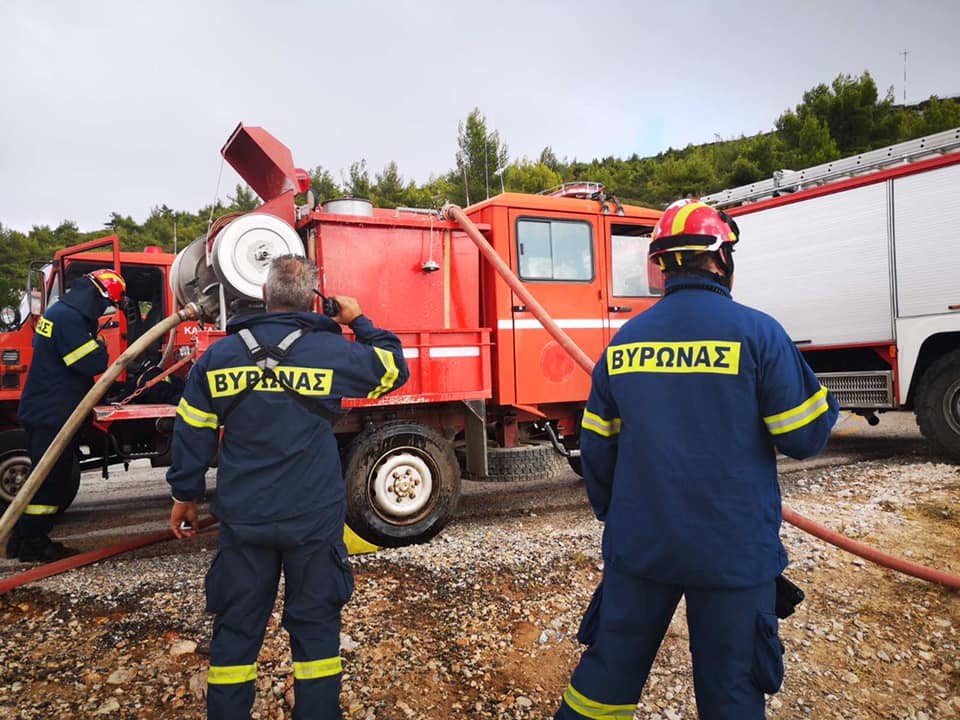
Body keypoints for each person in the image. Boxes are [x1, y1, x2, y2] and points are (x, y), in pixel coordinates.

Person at [555, 199, 839, 720]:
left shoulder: (624, 342)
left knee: (604, 682)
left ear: (661, 266)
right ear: (722, 259)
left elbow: (596, 448)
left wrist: (621, 516)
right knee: (732, 693)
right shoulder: (758, 334)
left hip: (642, 547)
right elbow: (804, 436)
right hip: (732, 553)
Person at [166, 254, 409, 720]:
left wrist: (184, 495)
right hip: (312, 517)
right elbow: (394, 369)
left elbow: (192, 431)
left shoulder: (218, 357)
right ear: (314, 301)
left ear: (263, 294)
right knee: (316, 629)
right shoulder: (332, 352)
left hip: (244, 518)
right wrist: (358, 320)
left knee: (237, 629)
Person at [6, 268, 127, 563]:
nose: (104, 311)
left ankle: (20, 538)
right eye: (107, 304)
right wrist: (101, 347)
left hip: (47, 409)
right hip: (54, 413)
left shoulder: (59, 312)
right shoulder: (70, 319)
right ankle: (34, 543)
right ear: (98, 297)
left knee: (40, 477)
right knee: (51, 480)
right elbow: (90, 363)